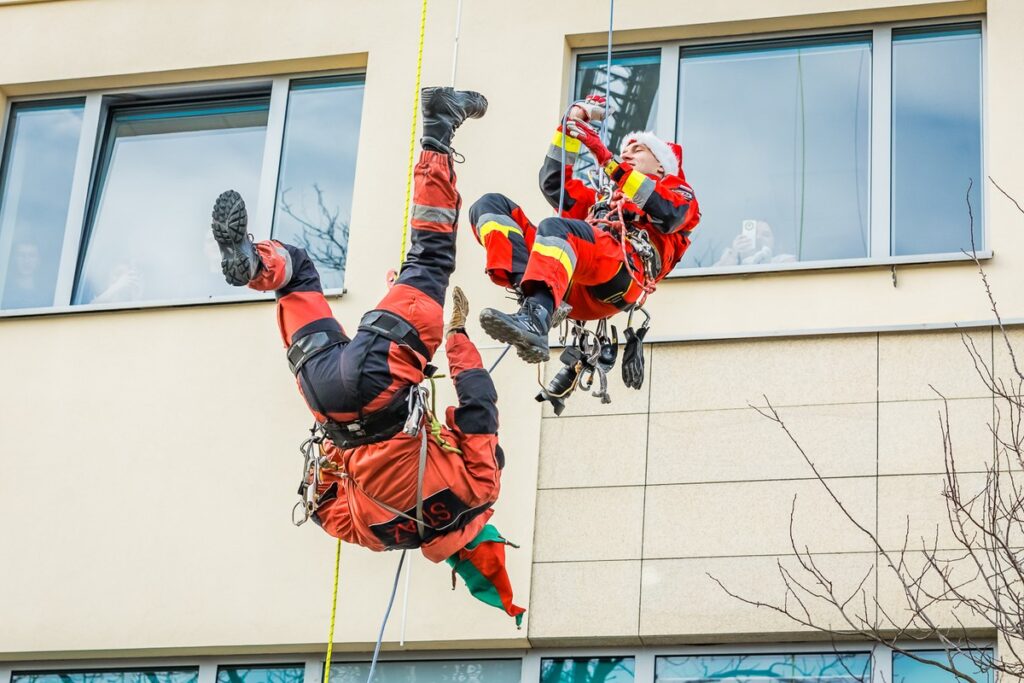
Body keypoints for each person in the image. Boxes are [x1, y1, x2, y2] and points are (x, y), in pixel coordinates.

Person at [209, 87, 524, 624]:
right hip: (326, 397)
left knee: (429, 258)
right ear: (455, 563)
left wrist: (456, 334)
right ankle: (259, 267)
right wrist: (338, 456)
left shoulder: (481, 489)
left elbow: (478, 405)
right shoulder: (380, 537)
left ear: (486, 536)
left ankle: (438, 129)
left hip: (383, 378)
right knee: (300, 278)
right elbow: (319, 504)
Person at [468, 94, 701, 383]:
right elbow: (554, 184)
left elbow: (669, 213)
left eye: (637, 149)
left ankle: (537, 316)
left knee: (558, 228)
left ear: (661, 167)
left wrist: (608, 160)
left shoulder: (678, 191)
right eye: (624, 149)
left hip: (620, 272)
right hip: (569, 279)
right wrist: (571, 124)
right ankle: (532, 298)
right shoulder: (601, 201)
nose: (626, 152)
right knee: (491, 207)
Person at [714, 220, 796, 267]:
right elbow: (714, 281)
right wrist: (734, 254)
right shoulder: (731, 259)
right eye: (755, 233)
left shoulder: (784, 260)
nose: (758, 237)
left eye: (765, 235)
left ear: (774, 243)